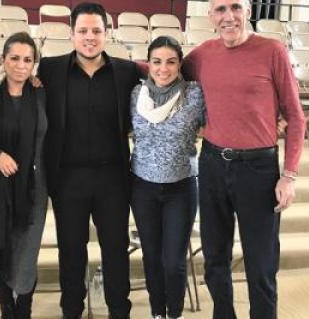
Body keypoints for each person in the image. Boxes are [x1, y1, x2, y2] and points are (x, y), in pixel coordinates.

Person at [182, 0, 306, 318]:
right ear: (210, 16)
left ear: (248, 12)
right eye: (220, 10)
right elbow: (162, 68)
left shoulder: (272, 50)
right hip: (211, 163)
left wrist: (289, 175)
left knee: (261, 265)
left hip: (259, 170)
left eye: (236, 7)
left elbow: (295, 116)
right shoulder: (202, 55)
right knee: (214, 260)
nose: (229, 17)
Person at [37, 2, 143, 318]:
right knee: (71, 251)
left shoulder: (127, 72)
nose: (89, 37)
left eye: (96, 30)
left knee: (115, 250)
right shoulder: (49, 70)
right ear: (71, 34)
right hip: (67, 178)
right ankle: (71, 309)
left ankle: (119, 310)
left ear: (106, 33)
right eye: (82, 30)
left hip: (113, 178)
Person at [130, 36, 204, 319]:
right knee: (151, 257)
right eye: (157, 62)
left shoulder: (195, 95)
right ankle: (157, 313)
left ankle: (175, 314)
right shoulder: (136, 95)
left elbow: (225, 115)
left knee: (173, 261)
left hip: (181, 188)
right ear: (147, 64)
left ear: (180, 65)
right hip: (143, 188)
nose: (163, 69)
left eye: (171, 62)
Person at [0, 32, 47, 319]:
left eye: (27, 59)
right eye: (14, 58)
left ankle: (24, 309)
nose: (20, 65)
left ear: (34, 65)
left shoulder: (42, 95)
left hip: (35, 187)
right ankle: (7, 307)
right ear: (3, 60)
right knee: (1, 248)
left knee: (27, 254)